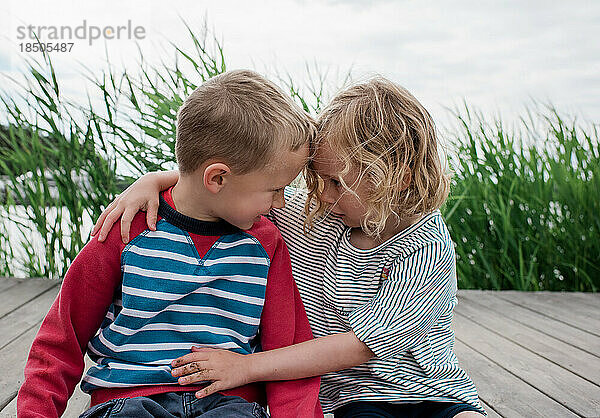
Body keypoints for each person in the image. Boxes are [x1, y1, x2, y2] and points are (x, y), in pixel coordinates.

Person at [92, 76, 487, 417]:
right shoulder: (316, 216)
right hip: (356, 398)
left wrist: (246, 367)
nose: (322, 195)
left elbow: (361, 345)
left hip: (435, 390)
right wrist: (155, 182)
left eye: (337, 183)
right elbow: (229, 187)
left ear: (393, 178)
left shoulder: (425, 246)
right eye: (320, 180)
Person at [17, 70, 323, 418]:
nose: (282, 203)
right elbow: (61, 339)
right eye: (275, 190)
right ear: (218, 178)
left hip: (229, 404)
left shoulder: (266, 243)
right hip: (129, 399)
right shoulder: (127, 229)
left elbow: (288, 350)